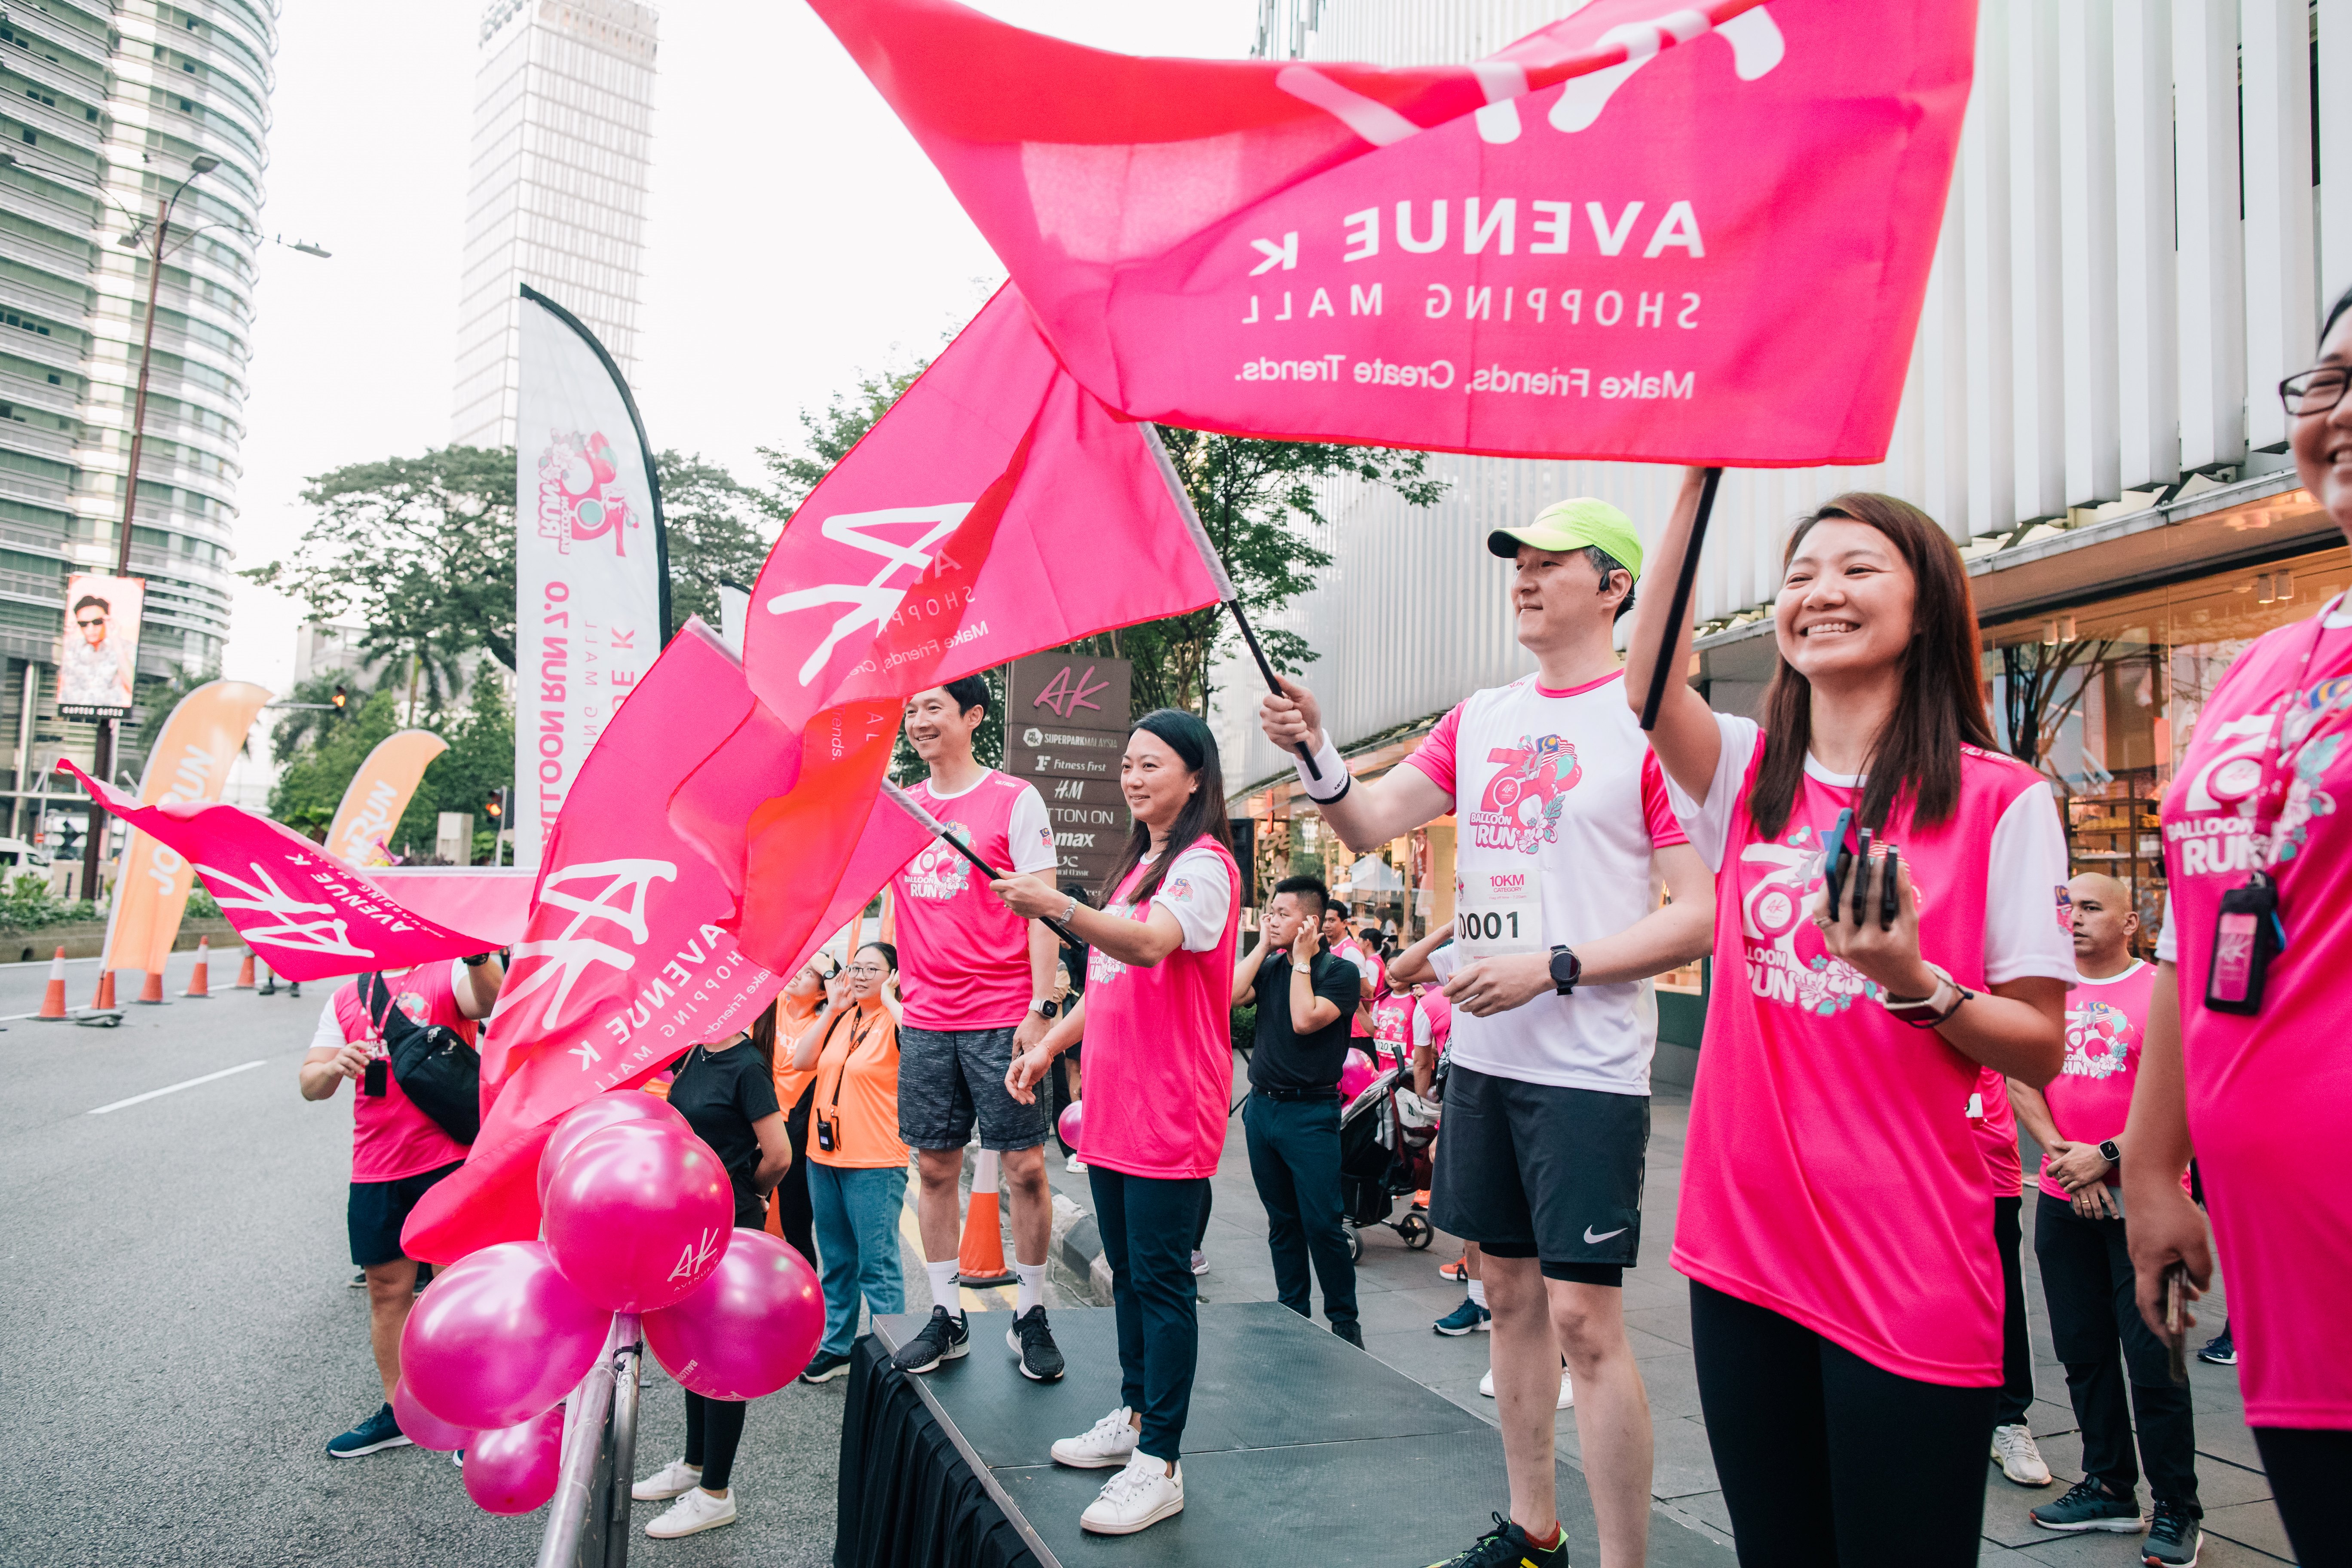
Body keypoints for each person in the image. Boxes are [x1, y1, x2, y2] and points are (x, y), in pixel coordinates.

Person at [1262, 497, 1715, 1568]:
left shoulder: (1648, 722)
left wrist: (1550, 967)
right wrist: (1318, 748)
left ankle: (1623, 1561)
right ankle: (1532, 1532)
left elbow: (1698, 910)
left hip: (1586, 1071)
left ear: (1612, 587)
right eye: (1515, 561)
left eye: (1550, 564)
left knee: (1584, 1326)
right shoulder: (1482, 716)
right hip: (1482, 1062)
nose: (1521, 577)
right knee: (1503, 1294)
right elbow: (1367, 819)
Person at [1629, 476, 2072, 1568]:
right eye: (1799, 575)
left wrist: (1912, 978)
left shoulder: (2000, 798)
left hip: (1906, 1257)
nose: (1819, 592)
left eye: (1856, 569)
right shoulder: (1745, 773)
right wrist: (1696, 479)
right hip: (1742, 1249)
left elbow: (2038, 1042)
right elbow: (1644, 682)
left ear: (1925, 608)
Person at [2122, 286, 2352, 1568]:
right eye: (2326, 381)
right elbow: (2191, 932)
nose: (2344, 410)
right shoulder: (2265, 666)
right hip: (2288, 1269)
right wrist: (2156, 1169)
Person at [995, 709, 1242, 1538]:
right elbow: (1107, 981)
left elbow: (1144, 947)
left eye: (1152, 764)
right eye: (1128, 764)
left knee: (1164, 1283)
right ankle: (1136, 1417)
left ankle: (1162, 1460)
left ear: (1196, 775)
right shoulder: (1142, 863)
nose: (1134, 777)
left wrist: (1057, 904)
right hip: (1112, 1105)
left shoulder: (1202, 868)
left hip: (1170, 1106)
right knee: (1131, 1276)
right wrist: (1046, 1047)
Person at [2005, 873, 2201, 1563]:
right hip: (2065, 1204)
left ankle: (2180, 1506)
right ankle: (2110, 1487)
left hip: (2149, 1211)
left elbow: (2192, 1096)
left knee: (2159, 1363)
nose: (2076, 919)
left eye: (2091, 908)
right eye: (2068, 907)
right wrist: (2067, 1161)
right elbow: (2020, 1078)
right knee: (2084, 1354)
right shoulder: (2046, 995)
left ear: (2132, 922)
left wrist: (2108, 1156)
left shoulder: (2160, 992)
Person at [885, 677, 1066, 1384]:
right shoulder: (902, 805)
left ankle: (1030, 1310)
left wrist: (1040, 1009)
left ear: (972, 715)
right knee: (933, 1168)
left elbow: (1044, 906)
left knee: (1023, 1168)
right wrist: (891, 972)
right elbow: (889, 897)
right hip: (929, 1021)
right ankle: (945, 1313)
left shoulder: (1014, 799)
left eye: (932, 706)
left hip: (1001, 1018)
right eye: (910, 710)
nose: (918, 720)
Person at [299, 954, 502, 1458]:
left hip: (447, 1158)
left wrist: (478, 957)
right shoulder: (346, 996)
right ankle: (400, 1413)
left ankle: (468, 1412)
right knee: (386, 1293)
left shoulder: (446, 971)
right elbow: (309, 1086)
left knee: (452, 1288)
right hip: (375, 1166)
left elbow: (493, 1001)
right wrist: (332, 1066)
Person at [631, 1019, 791, 1540]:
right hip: (688, 1219)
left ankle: (716, 1493)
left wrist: (750, 1193)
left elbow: (779, 1154)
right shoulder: (697, 1052)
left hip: (727, 1223)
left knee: (721, 1353)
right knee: (691, 1345)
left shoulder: (747, 1066)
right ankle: (695, 1464)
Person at [1229, 873, 1365, 1344]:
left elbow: (1305, 1020)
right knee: (1282, 1221)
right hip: (1263, 1111)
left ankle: (1345, 1324)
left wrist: (1302, 961)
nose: (1271, 919)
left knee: (1322, 1224)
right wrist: (1263, 948)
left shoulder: (1340, 973)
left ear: (1310, 922)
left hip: (1311, 1115)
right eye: (1270, 911)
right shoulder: (1270, 967)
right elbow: (1228, 997)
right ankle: (1292, 1314)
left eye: (1282, 914)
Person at [796, 942, 908, 1385]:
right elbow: (801, 1060)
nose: (859, 976)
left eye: (871, 969)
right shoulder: (844, 1017)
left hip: (875, 1161)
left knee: (876, 1267)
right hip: (823, 1158)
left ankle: (892, 1354)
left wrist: (893, 1002)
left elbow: (920, 1047)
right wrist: (831, 1010)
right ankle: (836, 1347)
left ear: (894, 976)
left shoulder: (895, 1020)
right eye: (855, 967)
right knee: (837, 1261)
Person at [1978, 1054, 2050, 1488]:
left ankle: (2009, 1421)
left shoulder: (1998, 986)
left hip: (1988, 1162)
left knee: (2003, 1295)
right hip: (1904, 1156)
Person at [765, 953, 837, 1271]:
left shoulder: (823, 1026)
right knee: (748, 1213)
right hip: (755, 1125)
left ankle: (804, 1291)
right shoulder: (773, 1006)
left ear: (822, 992)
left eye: (809, 974)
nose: (798, 974)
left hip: (795, 1133)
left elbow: (841, 993)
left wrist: (826, 967)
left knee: (796, 1223)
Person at [59, 590, 135, 709]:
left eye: (97, 622)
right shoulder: (71, 647)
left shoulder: (124, 647)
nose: (91, 628)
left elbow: (131, 686)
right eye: (84, 624)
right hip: (74, 713)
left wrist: (116, 641)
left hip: (111, 714)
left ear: (107, 620)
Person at [1323, 900, 1381, 1039]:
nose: (1327, 925)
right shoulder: (1333, 948)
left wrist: (1362, 1019)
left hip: (1354, 1031)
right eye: (1325, 920)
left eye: (1332, 920)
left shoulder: (1349, 950)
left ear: (1344, 923)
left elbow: (1366, 991)